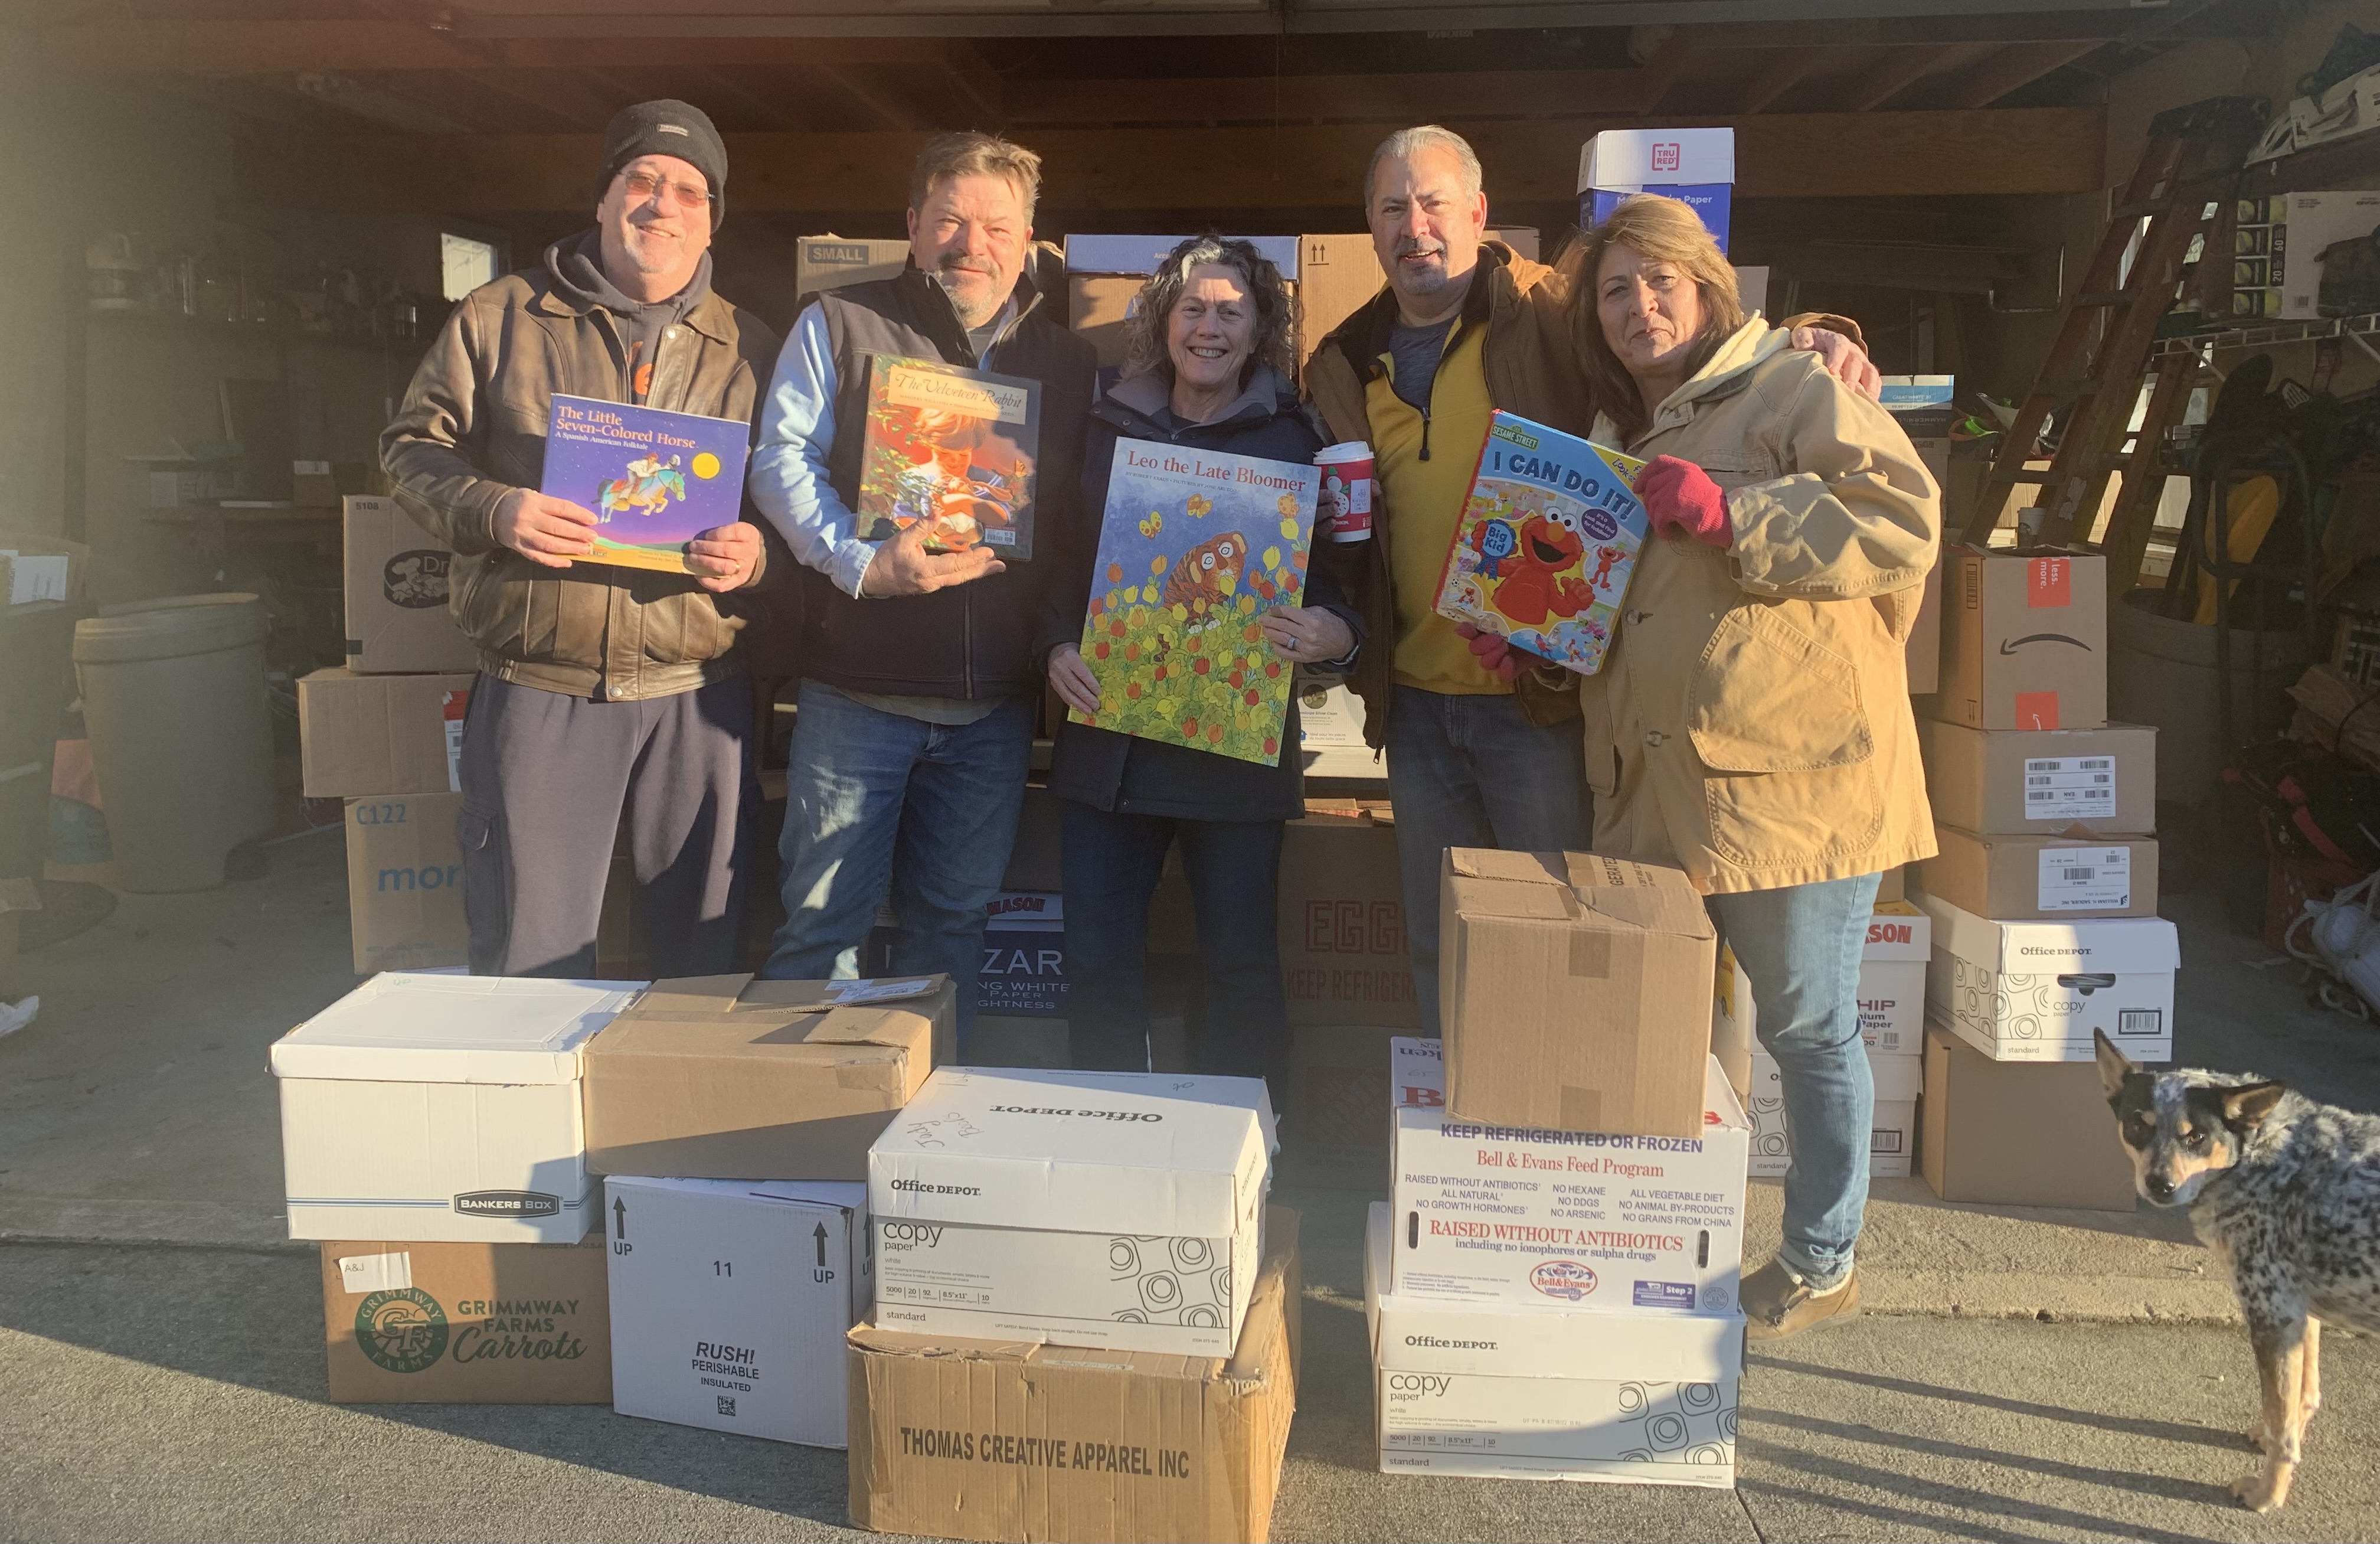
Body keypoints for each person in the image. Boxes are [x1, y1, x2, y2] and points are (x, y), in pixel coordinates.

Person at [1303, 124, 1880, 1032]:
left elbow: (1693, 342)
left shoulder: (1555, 307)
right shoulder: (1340, 360)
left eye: (1433, 203)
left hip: (1540, 697)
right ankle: (1455, 1156)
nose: (1415, 227)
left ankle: (1552, 1132)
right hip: (1413, 705)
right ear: (1370, 229)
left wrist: (1819, 335)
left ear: (1478, 214)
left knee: (1562, 937)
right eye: (1392, 209)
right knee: (1437, 938)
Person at [1562, 192, 1938, 1340]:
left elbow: (1902, 519)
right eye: (1617, 289)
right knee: (1663, 1030)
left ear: (1709, 287)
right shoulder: (1619, 432)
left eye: (1660, 281)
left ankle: (1824, 1258)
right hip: (1660, 790)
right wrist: (1534, 634)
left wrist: (1739, 515)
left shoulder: (1793, 385)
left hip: (1786, 783)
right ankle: (1667, 1238)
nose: (1640, 306)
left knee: (1809, 1028)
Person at [381, 99, 779, 978]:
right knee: (533, 950)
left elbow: (791, 502)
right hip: (542, 685)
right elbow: (409, 451)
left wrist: (760, 555)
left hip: (696, 692)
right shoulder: (502, 315)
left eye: (688, 191)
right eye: (642, 181)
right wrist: (495, 509)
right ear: (603, 197)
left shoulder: (748, 346)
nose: (661, 205)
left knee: (703, 957)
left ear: (711, 216)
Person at [747, 132, 1096, 1044]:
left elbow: (1079, 525)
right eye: (948, 219)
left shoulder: (1068, 363)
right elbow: (778, 458)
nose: (968, 244)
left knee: (953, 936)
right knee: (821, 932)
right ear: (912, 225)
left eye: (994, 225)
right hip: (856, 697)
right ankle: (794, 1157)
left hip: (990, 714)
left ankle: (928, 1147)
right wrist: (857, 562)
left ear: (1029, 239)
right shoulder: (838, 321)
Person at [1039, 234, 1364, 1101]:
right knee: (1099, 965)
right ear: (1162, 321)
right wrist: (1057, 646)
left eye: (1230, 311)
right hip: (1110, 746)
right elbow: (1059, 563)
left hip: (1235, 755)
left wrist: (1336, 632)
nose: (1209, 328)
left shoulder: (1301, 441)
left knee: (1242, 969)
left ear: (1260, 329)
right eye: (1192, 309)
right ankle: (1106, 1147)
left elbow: (1348, 583)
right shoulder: (1108, 422)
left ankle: (1251, 1163)